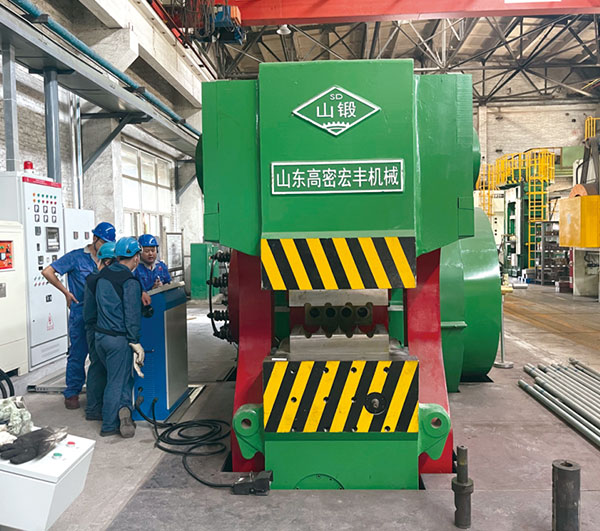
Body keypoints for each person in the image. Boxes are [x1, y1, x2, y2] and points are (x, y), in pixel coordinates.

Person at [42, 222, 116, 410]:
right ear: (95, 238)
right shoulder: (76, 257)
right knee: (78, 352)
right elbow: (48, 271)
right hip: (80, 312)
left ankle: (100, 392)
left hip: (102, 314)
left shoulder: (110, 257)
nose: (106, 246)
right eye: (104, 242)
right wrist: (66, 292)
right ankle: (72, 392)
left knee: (100, 355)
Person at [93, 237, 144, 438]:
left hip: (100, 336)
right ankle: (108, 425)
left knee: (119, 378)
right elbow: (132, 314)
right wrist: (135, 341)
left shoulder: (102, 275)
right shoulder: (129, 281)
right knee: (116, 382)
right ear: (136, 257)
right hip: (118, 339)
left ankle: (125, 413)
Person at [82, 242, 116, 421]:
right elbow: (90, 311)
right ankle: (95, 409)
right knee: (99, 367)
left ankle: (97, 407)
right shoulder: (98, 280)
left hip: (97, 328)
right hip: (98, 329)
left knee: (99, 367)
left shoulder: (94, 278)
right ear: (108, 262)